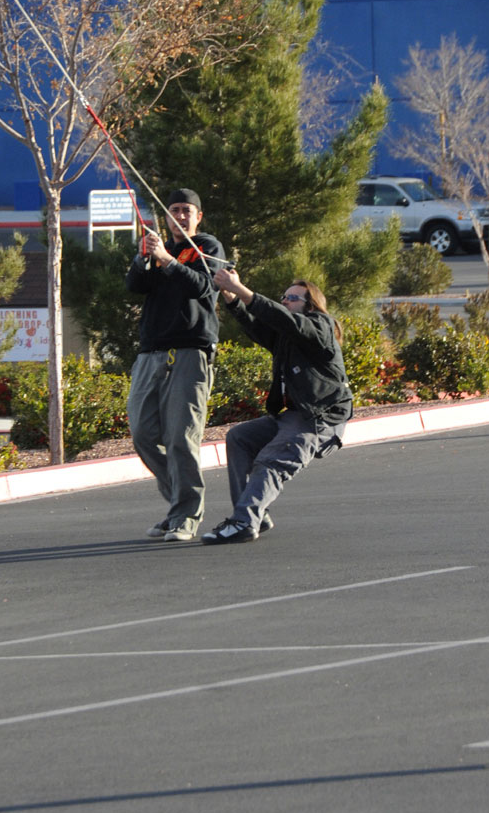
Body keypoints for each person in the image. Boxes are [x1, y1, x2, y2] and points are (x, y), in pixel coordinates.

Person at [202, 270, 353, 545]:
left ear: (311, 304)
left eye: (292, 298)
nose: (285, 301)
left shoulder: (320, 326)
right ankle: (254, 513)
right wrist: (233, 299)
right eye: (283, 297)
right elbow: (260, 327)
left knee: (270, 461)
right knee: (239, 438)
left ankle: (244, 522)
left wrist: (243, 291)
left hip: (319, 418)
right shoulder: (287, 337)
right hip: (294, 416)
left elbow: (287, 321)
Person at [126, 188, 225, 542]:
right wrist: (144, 258)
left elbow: (201, 287)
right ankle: (179, 504)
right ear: (165, 217)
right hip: (151, 351)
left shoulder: (206, 247)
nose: (180, 216)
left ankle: (185, 514)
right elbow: (134, 285)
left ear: (199, 216)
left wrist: (168, 260)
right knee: (143, 433)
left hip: (190, 350)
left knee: (182, 438)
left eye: (187, 210)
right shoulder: (157, 250)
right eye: (174, 211)